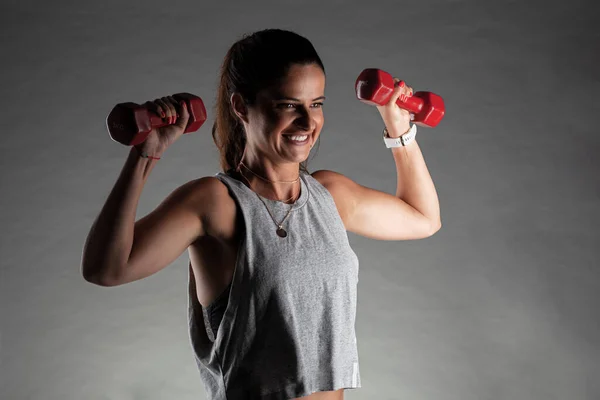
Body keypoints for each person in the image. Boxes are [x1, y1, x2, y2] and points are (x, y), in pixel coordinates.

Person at [81, 28, 441, 400]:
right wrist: (146, 153)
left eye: (316, 104)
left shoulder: (329, 195)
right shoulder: (215, 203)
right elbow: (106, 269)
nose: (307, 121)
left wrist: (399, 127)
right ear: (241, 107)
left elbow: (422, 218)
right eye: (288, 105)